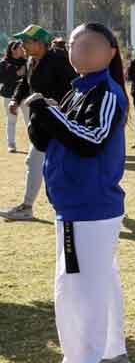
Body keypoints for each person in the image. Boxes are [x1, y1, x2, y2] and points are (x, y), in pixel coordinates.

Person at [29, 23, 131, 363]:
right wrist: (43, 115)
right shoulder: (78, 88)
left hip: (88, 206)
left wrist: (52, 117)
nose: (80, 51)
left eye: (90, 45)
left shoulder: (105, 92)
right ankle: (112, 354)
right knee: (99, 282)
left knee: (74, 291)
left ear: (110, 51)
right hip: (78, 204)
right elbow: (51, 138)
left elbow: (90, 140)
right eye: (74, 45)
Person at [1, 25, 77, 221]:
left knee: (56, 164)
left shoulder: (59, 61)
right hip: (42, 122)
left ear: (39, 43)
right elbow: (24, 83)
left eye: (26, 41)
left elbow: (74, 88)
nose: (23, 45)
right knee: (36, 161)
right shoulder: (30, 60)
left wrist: (59, 105)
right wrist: (15, 100)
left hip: (60, 122)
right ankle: (27, 207)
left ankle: (28, 207)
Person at [0, 40, 27, 152]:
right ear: (11, 49)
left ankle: (33, 144)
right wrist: (16, 74)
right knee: (11, 120)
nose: (19, 50)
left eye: (21, 48)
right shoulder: (4, 63)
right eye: (16, 48)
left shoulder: (27, 62)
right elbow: (2, 79)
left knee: (29, 120)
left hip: (26, 95)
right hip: (9, 96)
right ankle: (11, 144)